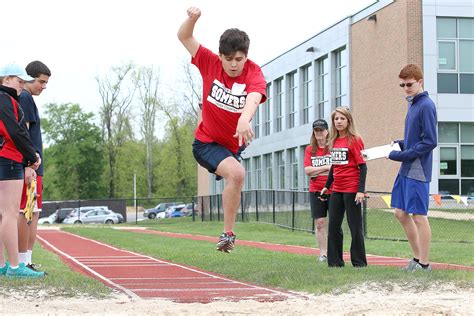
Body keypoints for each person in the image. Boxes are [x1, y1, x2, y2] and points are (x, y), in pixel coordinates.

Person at [178, 7, 266, 253]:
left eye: (239, 59)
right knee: (237, 174)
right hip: (206, 143)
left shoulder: (254, 72)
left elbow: (255, 96)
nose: (233, 65)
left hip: (231, 146)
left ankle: (227, 232)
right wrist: (192, 19)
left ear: (246, 56)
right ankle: (227, 235)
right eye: (228, 60)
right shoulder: (209, 61)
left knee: (235, 176)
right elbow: (184, 37)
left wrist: (245, 119)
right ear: (220, 56)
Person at [388, 64, 437, 272]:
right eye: (402, 84)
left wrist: (401, 154)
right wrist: (400, 143)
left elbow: (430, 141)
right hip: (406, 167)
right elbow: (415, 138)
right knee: (400, 213)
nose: (406, 88)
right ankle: (417, 259)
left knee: (418, 216)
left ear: (420, 82)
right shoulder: (413, 104)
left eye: (409, 84)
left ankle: (424, 264)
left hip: (417, 169)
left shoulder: (426, 105)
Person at [0, 63, 44, 278]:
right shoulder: (5, 99)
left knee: (2, 215)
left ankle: (1, 265)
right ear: (6, 79)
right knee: (9, 214)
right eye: (19, 80)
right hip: (8, 159)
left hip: (6, 158)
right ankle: (15, 268)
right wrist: (31, 156)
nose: (22, 85)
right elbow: (15, 131)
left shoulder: (7, 98)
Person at [321, 106, 367, 268]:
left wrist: (360, 190)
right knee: (333, 226)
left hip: (352, 189)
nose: (339, 122)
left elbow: (363, 166)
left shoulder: (355, 140)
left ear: (348, 121)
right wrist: (327, 186)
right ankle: (335, 263)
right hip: (336, 190)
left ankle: (359, 263)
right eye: (336, 119)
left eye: (342, 119)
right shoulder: (333, 140)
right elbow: (335, 166)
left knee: (355, 227)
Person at [17, 61, 51, 272]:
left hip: (33, 166)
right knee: (28, 212)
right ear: (29, 78)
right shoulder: (26, 98)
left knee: (33, 212)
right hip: (30, 167)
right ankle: (22, 261)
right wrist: (30, 163)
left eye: (46, 83)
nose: (43, 86)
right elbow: (24, 134)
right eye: (41, 81)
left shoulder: (26, 99)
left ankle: (25, 260)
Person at [304, 119, 331, 263]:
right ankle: (323, 253)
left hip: (333, 189)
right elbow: (308, 171)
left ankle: (334, 253)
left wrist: (317, 171)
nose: (319, 133)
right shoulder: (310, 150)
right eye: (316, 131)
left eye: (321, 130)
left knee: (334, 223)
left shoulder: (333, 148)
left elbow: (337, 169)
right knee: (320, 223)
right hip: (316, 189)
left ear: (327, 131)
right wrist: (327, 168)